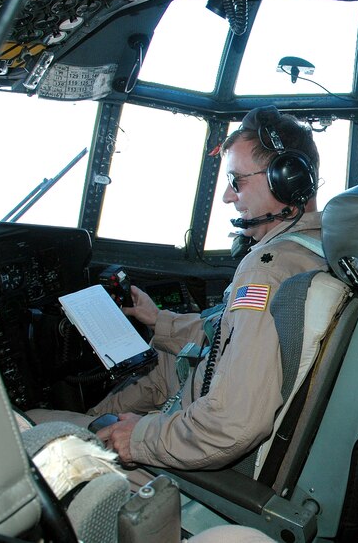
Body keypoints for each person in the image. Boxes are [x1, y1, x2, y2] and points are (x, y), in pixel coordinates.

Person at [30, 105, 327, 470]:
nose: (227, 197)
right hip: (196, 390)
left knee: (30, 424)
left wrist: (139, 438)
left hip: (203, 452)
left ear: (287, 179)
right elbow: (230, 333)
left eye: (237, 181)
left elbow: (231, 424)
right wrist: (159, 320)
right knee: (125, 394)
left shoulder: (267, 271)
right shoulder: (317, 249)